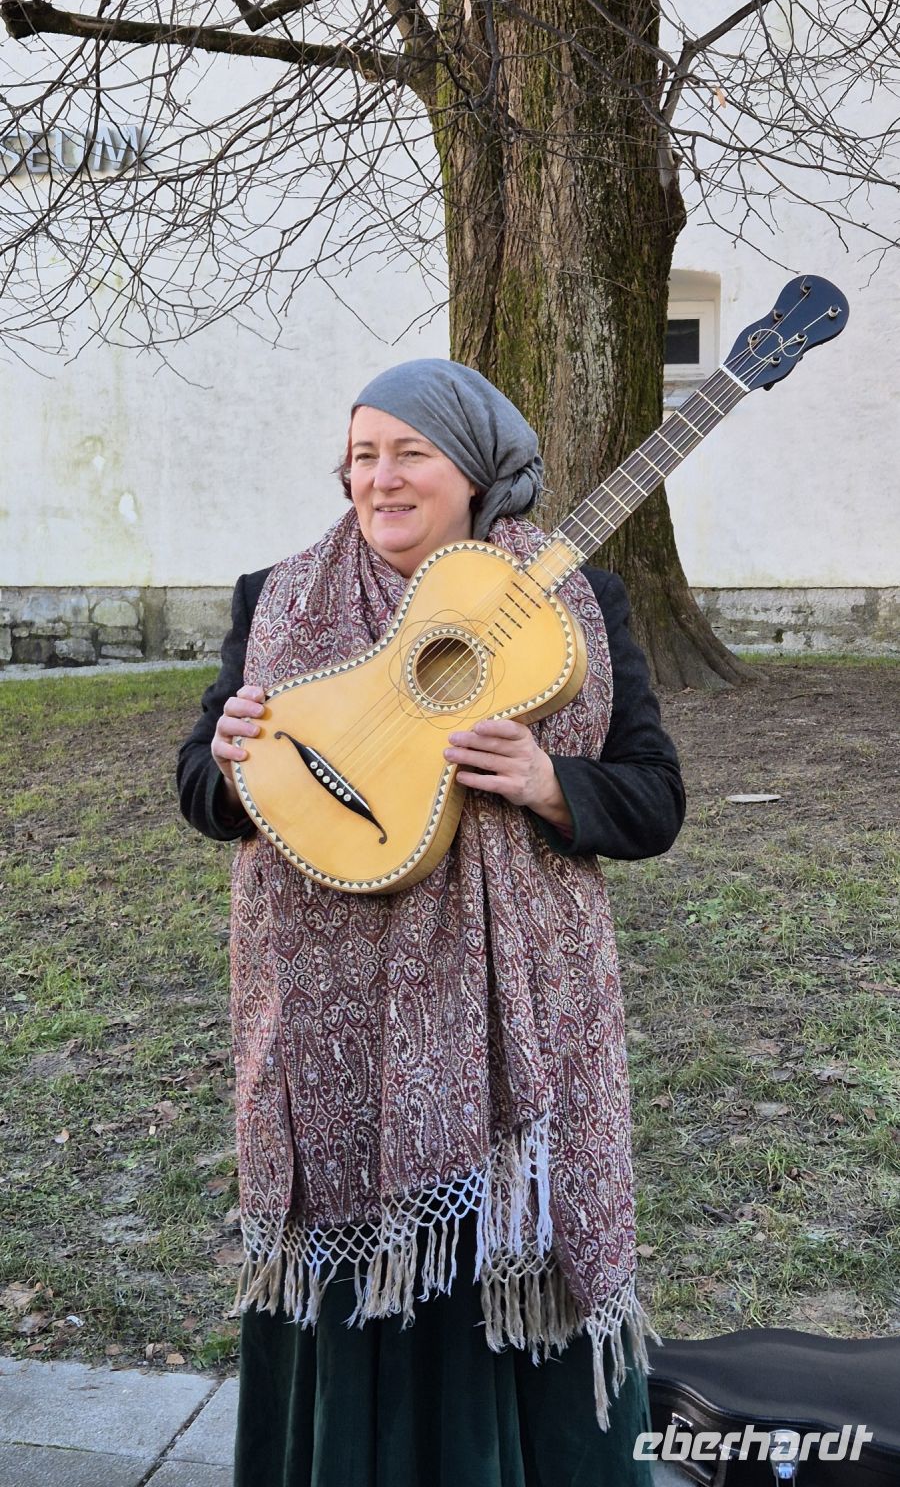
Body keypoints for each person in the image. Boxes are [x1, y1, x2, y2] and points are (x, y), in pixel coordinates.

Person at [177, 358, 686, 1487]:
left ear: (479, 473)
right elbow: (203, 793)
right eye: (363, 454)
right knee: (346, 1276)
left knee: (501, 1261)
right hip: (329, 1040)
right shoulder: (276, 599)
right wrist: (224, 764)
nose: (381, 478)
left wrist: (551, 783)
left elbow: (655, 799)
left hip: (514, 1042)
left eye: (411, 452)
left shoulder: (581, 605)